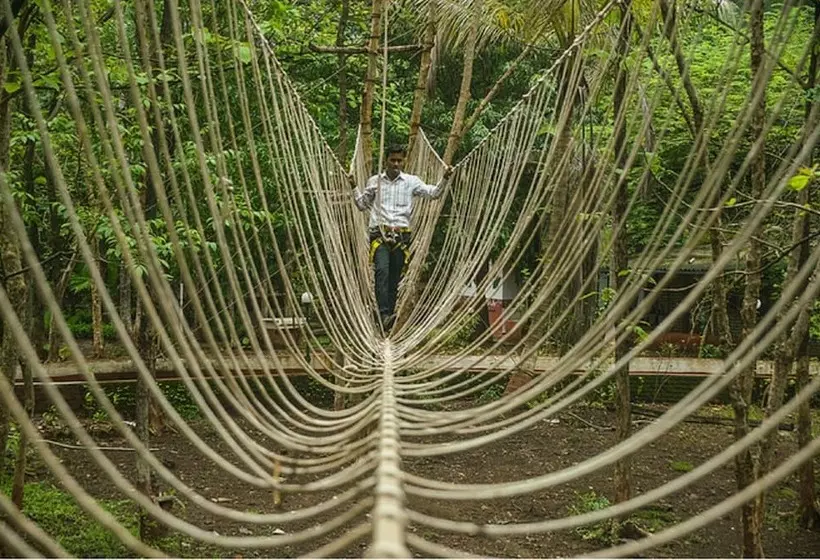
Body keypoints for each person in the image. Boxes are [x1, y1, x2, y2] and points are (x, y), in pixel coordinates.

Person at [350, 144, 453, 332]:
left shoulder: (411, 182)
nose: (396, 164)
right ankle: (383, 314)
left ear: (403, 161)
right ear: (386, 160)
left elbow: (434, 194)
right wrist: (354, 186)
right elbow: (361, 205)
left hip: (401, 236)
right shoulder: (374, 182)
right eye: (393, 160)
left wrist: (445, 178)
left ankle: (387, 317)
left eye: (399, 160)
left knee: (394, 278)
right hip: (379, 234)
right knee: (381, 272)